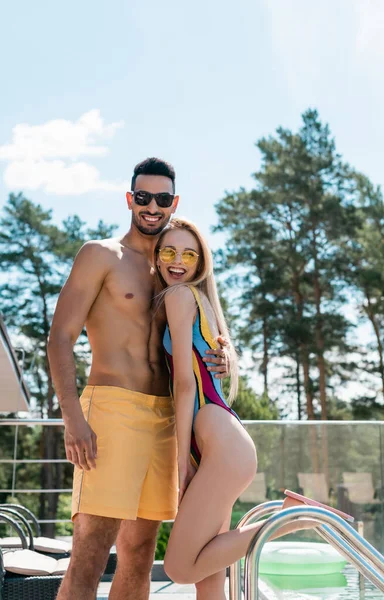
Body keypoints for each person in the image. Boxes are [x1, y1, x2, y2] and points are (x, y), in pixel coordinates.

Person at [47, 158, 229, 600]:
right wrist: (73, 419)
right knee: (90, 552)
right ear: (130, 199)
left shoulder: (175, 271)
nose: (152, 206)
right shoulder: (101, 255)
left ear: (174, 203)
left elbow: (198, 340)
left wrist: (219, 358)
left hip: (165, 418)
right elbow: (59, 340)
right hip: (111, 410)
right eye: (143, 197)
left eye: (162, 199)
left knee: (141, 553)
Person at [154, 218, 316, 590]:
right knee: (208, 580)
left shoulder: (179, 296)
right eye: (169, 251)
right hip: (221, 443)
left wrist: (180, 464)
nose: (178, 261)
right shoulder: (202, 301)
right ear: (157, 257)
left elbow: (183, 383)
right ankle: (295, 516)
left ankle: (295, 517)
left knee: (180, 567)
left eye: (188, 253)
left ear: (200, 262)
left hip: (220, 444)